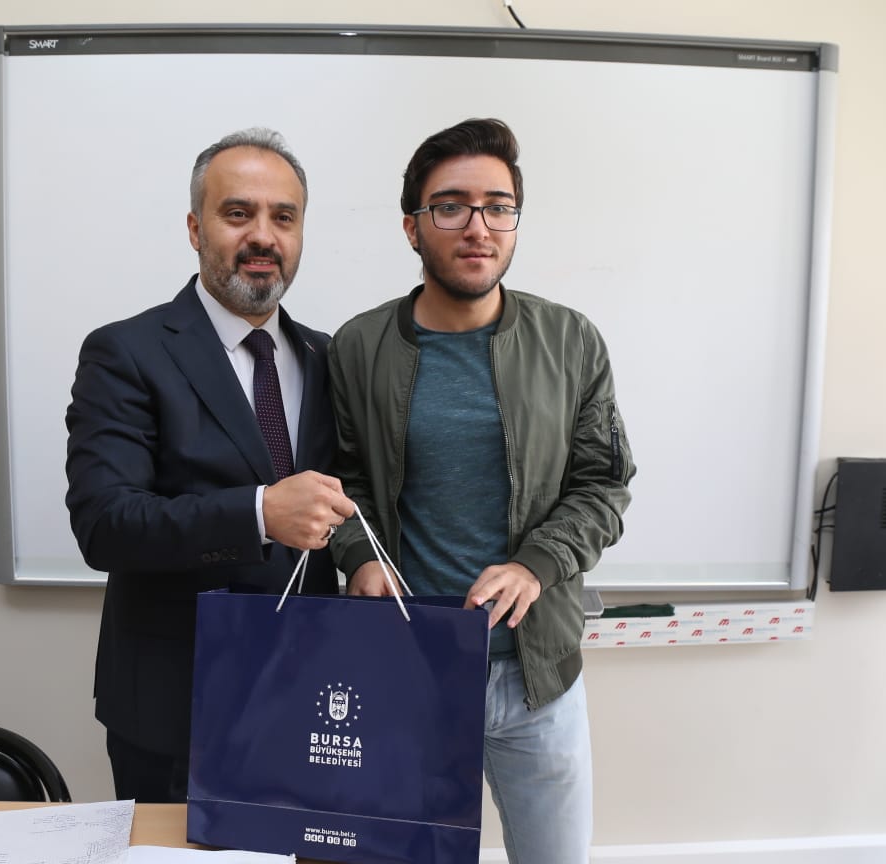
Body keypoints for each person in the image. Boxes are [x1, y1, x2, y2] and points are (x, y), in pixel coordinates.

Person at [327, 118, 636, 864]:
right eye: (451, 206)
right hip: (411, 669)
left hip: (539, 677)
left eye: (499, 207)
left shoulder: (571, 341)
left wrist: (535, 563)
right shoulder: (358, 347)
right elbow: (343, 480)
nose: (478, 227)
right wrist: (357, 555)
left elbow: (603, 484)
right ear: (412, 226)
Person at [65, 127, 355, 803]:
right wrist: (258, 513)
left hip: (312, 695)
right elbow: (105, 524)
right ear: (196, 228)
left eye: (283, 217)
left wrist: (364, 558)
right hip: (176, 707)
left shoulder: (328, 356)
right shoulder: (125, 352)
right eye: (238, 213)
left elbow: (351, 495)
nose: (263, 236)